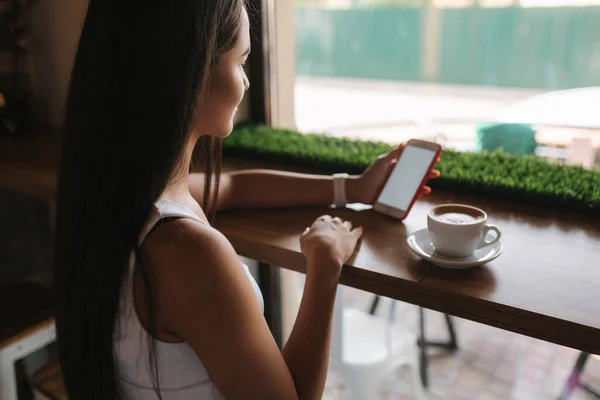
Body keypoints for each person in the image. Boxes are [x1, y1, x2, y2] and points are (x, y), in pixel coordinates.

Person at [53, 1, 439, 399]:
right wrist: (324, 264)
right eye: (241, 61)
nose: (247, 81)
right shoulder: (188, 253)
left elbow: (236, 188)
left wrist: (352, 189)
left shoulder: (119, 193)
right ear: (191, 68)